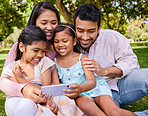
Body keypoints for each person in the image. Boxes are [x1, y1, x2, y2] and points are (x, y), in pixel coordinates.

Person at [73, 3, 148, 113]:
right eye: (80, 30)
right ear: (74, 27)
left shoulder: (112, 37)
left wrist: (104, 71)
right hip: (93, 96)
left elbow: (131, 62)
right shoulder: (67, 43)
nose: (85, 37)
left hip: (119, 86)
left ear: (99, 28)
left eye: (91, 31)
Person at [51, 23, 137, 116]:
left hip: (96, 88)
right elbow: (55, 84)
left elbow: (92, 81)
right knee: (83, 104)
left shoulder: (82, 58)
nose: (60, 45)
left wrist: (80, 88)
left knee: (114, 112)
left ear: (74, 41)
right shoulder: (54, 62)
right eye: (56, 41)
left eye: (64, 41)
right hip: (80, 95)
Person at [1, 25, 83, 116]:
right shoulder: (13, 67)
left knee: (63, 105)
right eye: (35, 50)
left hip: (46, 98)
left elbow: (45, 90)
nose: (40, 55)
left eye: (43, 51)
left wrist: (21, 80)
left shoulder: (43, 63)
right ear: (21, 47)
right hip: (23, 100)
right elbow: (5, 85)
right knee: (26, 106)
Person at [0, 1, 59, 104]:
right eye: (44, 23)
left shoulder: (62, 47)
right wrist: (23, 89)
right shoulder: (19, 47)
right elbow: (3, 81)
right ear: (34, 22)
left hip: (52, 98)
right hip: (24, 99)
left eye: (54, 23)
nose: (49, 27)